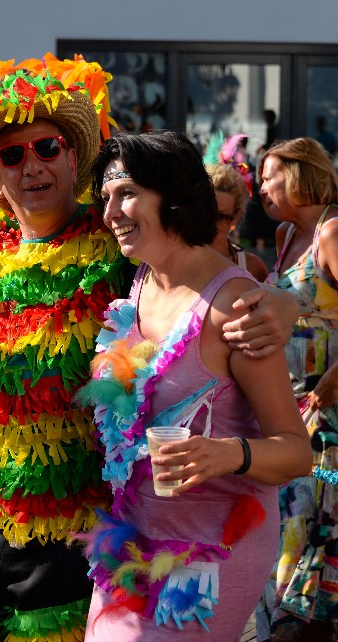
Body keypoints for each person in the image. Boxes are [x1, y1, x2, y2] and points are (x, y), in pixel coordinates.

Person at [0, 54, 298, 642]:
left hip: (81, 526)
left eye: (46, 148)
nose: (32, 166)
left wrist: (282, 302)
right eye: (12, 155)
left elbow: (205, 273)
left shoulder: (115, 245)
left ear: (74, 158)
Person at [79, 131, 311, 641]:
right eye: (107, 199)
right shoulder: (138, 281)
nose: (111, 212)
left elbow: (296, 453)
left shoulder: (235, 307)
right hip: (130, 543)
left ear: (175, 195)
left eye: (128, 193)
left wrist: (228, 454)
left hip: (212, 553)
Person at [255, 138, 338, 642]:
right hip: (291, 404)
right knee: (290, 524)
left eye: (270, 177)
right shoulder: (287, 235)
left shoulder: (332, 231)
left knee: (312, 525)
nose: (261, 188)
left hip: (329, 411)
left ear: (302, 175)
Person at [208, 162, 268, 281]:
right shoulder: (176, 260)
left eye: (220, 217)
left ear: (236, 216)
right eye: (205, 211)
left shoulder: (252, 267)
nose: (209, 221)